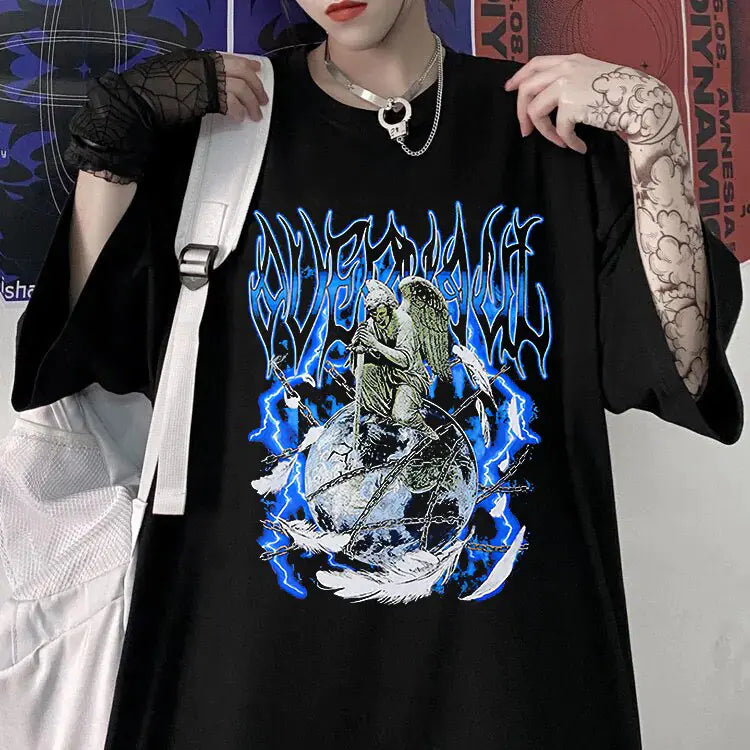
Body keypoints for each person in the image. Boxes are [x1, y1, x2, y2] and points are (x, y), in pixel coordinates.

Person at [10, 0, 744, 748]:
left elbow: (678, 369)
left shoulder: (544, 129)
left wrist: (655, 129)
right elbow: (90, 358)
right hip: (250, 682)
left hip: (505, 688)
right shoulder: (224, 131)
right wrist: (108, 156)